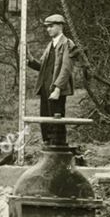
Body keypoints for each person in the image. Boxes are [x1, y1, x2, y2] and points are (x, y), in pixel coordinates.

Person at [28, 13, 75, 146]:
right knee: (45, 118)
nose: (48, 29)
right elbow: (43, 67)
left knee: (57, 118)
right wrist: (29, 60)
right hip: (45, 87)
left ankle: (59, 146)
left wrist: (58, 89)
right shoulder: (50, 45)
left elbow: (66, 69)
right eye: (47, 27)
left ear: (60, 26)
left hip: (56, 89)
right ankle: (48, 144)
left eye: (51, 26)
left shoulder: (68, 44)